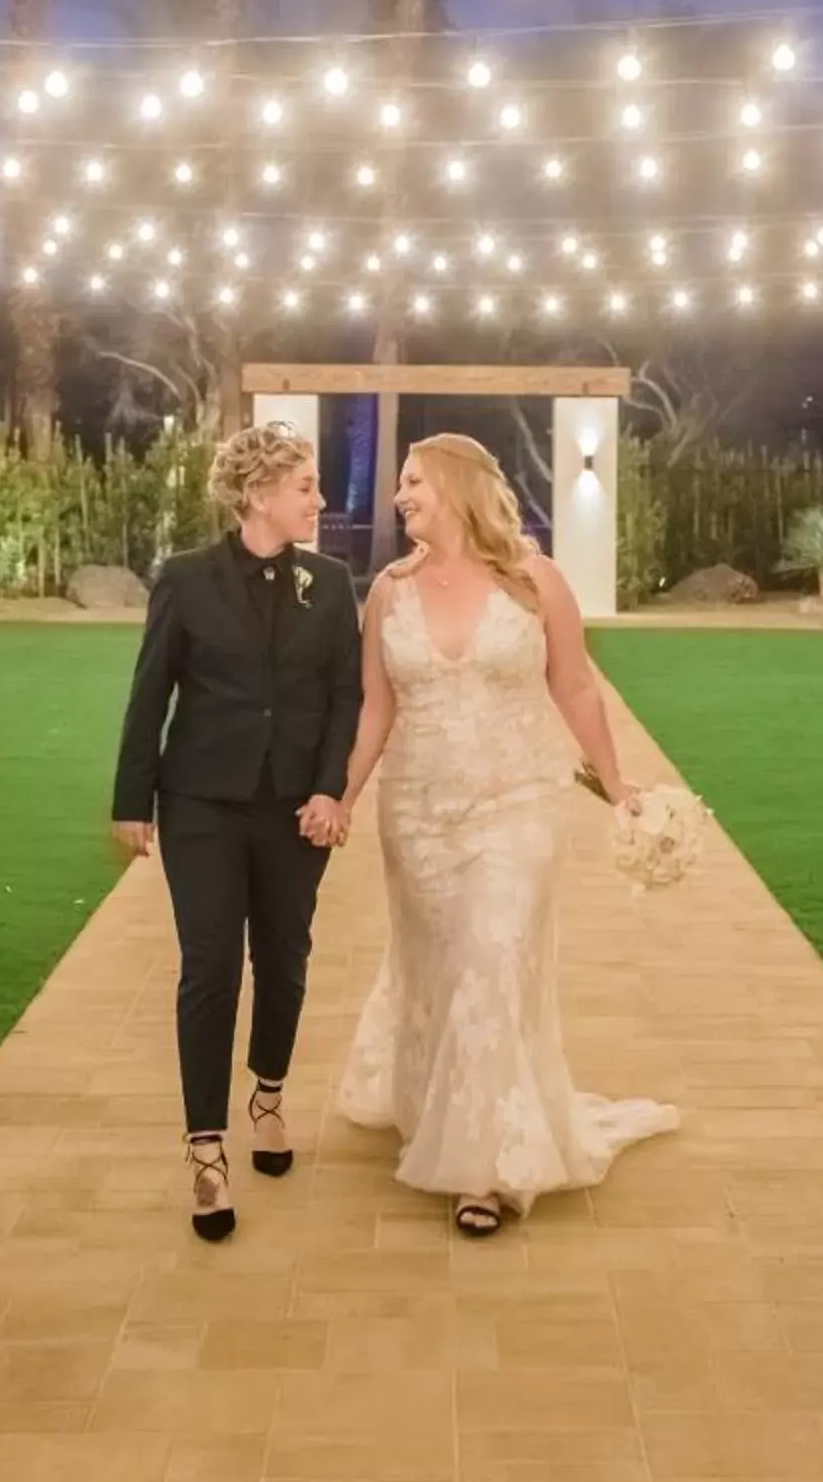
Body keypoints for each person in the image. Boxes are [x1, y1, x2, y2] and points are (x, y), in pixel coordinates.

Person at [332, 434, 679, 1236]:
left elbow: (576, 685)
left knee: (492, 956)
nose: (399, 496)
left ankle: (483, 1170)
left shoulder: (534, 580)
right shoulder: (388, 591)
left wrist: (618, 784)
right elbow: (374, 708)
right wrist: (343, 796)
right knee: (441, 965)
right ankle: (437, 1106)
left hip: (520, 802)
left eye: (413, 481)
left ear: (454, 485)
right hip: (417, 813)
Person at [112, 423, 362, 1241]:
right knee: (210, 970)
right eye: (306, 487)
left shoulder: (329, 584)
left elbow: (344, 698)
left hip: (296, 810)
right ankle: (206, 1152)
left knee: (285, 961)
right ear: (258, 495)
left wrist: (331, 790)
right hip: (202, 806)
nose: (320, 501)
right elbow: (151, 695)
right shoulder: (184, 581)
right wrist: (132, 800)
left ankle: (269, 1098)